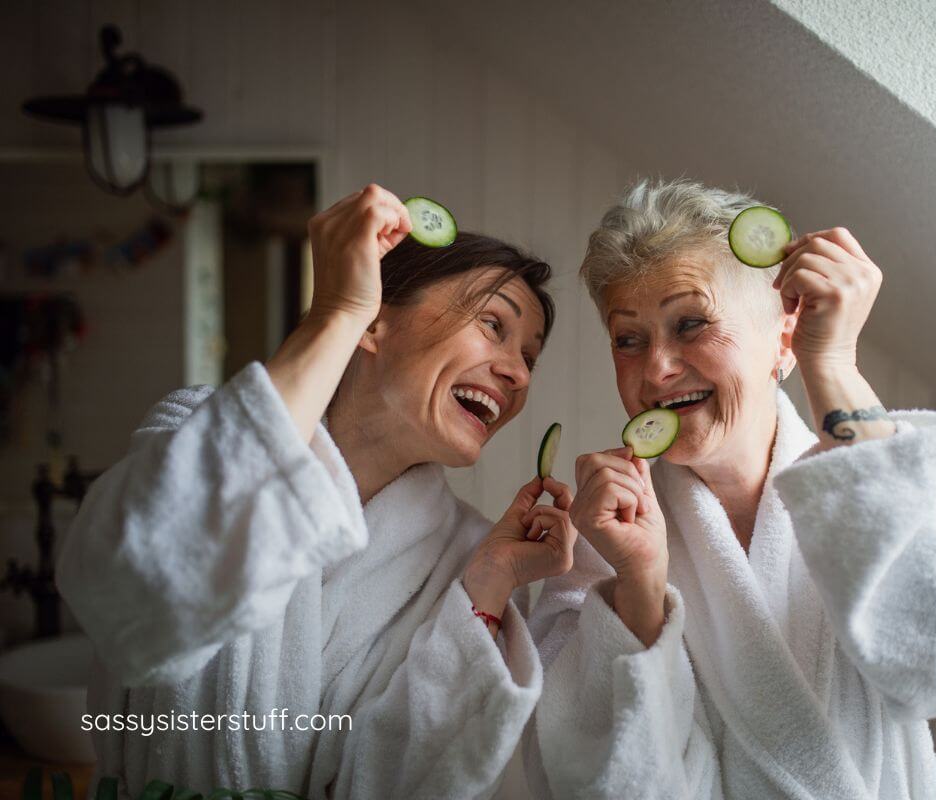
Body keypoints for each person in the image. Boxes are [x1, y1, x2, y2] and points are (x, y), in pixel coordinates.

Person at [57, 184, 579, 799]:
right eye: (493, 325)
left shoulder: (470, 555)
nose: (517, 374)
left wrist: (491, 580)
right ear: (375, 320)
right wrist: (334, 311)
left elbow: (410, 779)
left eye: (529, 358)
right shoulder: (192, 428)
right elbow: (132, 602)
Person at [525, 178, 936, 799]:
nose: (656, 368)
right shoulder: (604, 542)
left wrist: (834, 363)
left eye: (691, 323)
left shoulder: (869, 486)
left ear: (784, 336)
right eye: (629, 339)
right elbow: (594, 777)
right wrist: (641, 583)